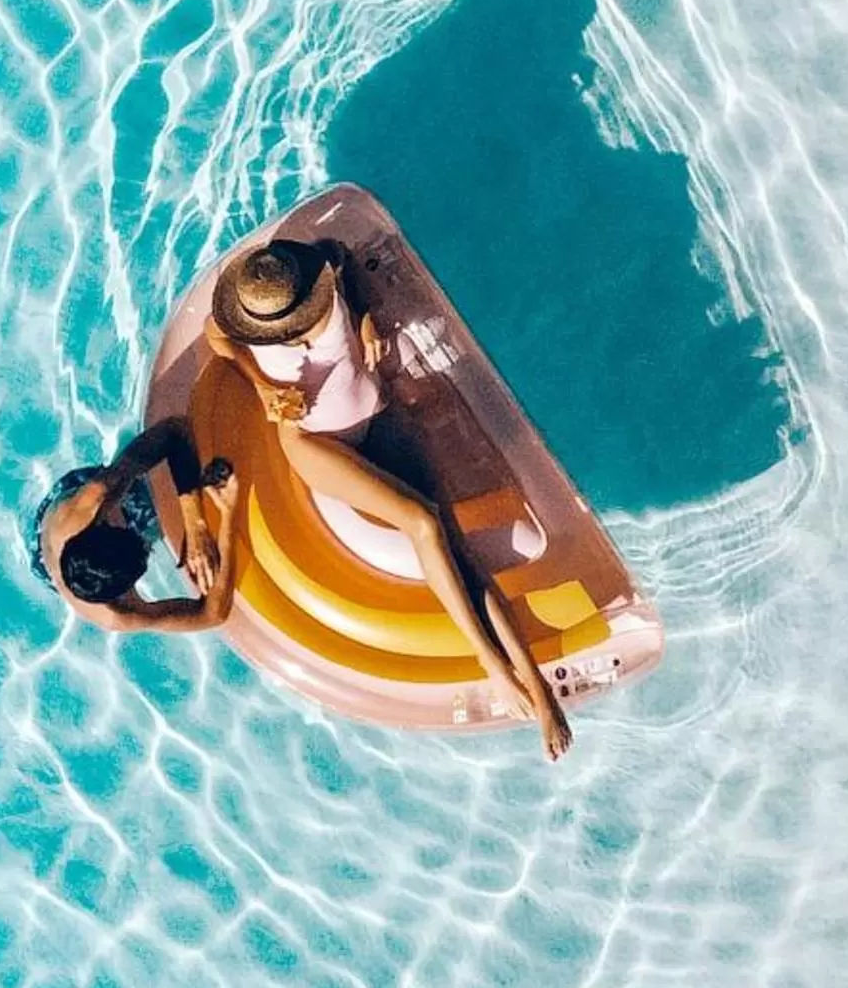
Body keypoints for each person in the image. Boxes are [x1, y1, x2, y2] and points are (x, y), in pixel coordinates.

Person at [206, 237, 573, 759]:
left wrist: (366, 317)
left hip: (373, 414)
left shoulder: (317, 276)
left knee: (458, 553)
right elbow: (214, 335)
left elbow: (339, 254)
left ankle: (537, 689)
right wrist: (261, 388)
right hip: (315, 442)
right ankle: (494, 666)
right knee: (422, 522)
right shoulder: (247, 318)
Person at [30, 423, 241, 631]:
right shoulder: (121, 615)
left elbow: (176, 429)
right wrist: (228, 513)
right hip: (47, 561)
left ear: (103, 525)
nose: (148, 548)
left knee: (125, 481)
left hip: (62, 506)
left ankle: (125, 465)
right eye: (145, 555)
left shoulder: (94, 497)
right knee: (153, 522)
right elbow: (213, 615)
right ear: (124, 591)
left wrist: (195, 523)